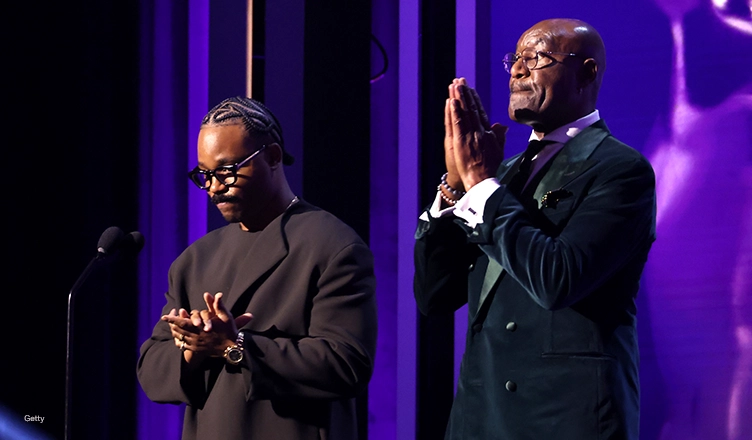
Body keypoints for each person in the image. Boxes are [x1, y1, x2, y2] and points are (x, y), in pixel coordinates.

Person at [413, 18, 656, 440]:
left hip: (563, 419)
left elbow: (557, 280)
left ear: (586, 72)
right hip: (481, 418)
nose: (518, 70)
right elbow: (434, 295)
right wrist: (454, 186)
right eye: (516, 58)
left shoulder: (619, 169)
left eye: (538, 57)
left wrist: (482, 186)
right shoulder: (500, 175)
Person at [137, 96, 377, 440]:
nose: (214, 188)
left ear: (273, 157)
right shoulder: (195, 260)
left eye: (228, 171)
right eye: (204, 175)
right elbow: (151, 370)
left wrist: (234, 346)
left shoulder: (332, 245)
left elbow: (347, 364)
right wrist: (193, 349)